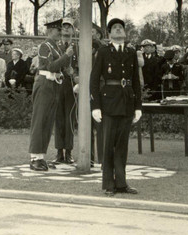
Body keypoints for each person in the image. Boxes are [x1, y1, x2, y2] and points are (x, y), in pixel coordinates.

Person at [90, 17, 141, 194]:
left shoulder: (131, 52)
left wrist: (138, 106)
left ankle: (121, 183)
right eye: (115, 28)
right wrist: (95, 106)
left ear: (125, 32)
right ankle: (108, 184)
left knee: (122, 145)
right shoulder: (103, 51)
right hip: (109, 102)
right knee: (108, 145)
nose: (118, 30)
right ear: (109, 33)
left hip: (127, 101)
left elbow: (135, 80)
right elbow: (94, 79)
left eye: (121, 27)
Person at [27, 20, 74, 172]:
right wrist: (66, 57)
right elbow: (50, 66)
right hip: (45, 84)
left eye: (60, 29)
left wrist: (68, 68)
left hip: (54, 85)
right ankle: (34, 158)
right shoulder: (44, 46)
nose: (60, 32)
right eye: (57, 29)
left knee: (48, 122)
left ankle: (41, 156)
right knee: (40, 120)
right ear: (49, 31)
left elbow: (60, 67)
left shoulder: (57, 47)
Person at [53, 21, 79, 165]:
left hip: (71, 86)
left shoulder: (78, 47)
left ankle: (68, 152)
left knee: (70, 120)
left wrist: (74, 74)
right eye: (64, 27)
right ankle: (59, 153)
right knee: (58, 120)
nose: (67, 29)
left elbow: (82, 65)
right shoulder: (55, 46)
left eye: (69, 27)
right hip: (57, 85)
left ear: (73, 30)